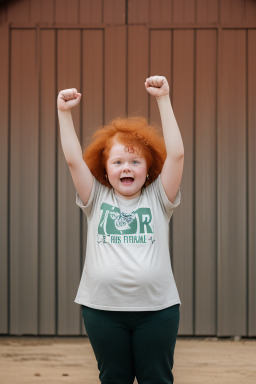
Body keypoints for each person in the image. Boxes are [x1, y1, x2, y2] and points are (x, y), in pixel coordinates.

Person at [57, 75, 184, 384]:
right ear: (104, 168)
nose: (126, 167)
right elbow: (74, 161)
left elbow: (177, 155)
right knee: (114, 378)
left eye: (135, 161)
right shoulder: (96, 197)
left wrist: (163, 99)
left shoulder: (158, 197)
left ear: (149, 167)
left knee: (156, 378)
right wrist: (64, 113)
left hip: (157, 310)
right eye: (118, 161)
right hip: (102, 309)